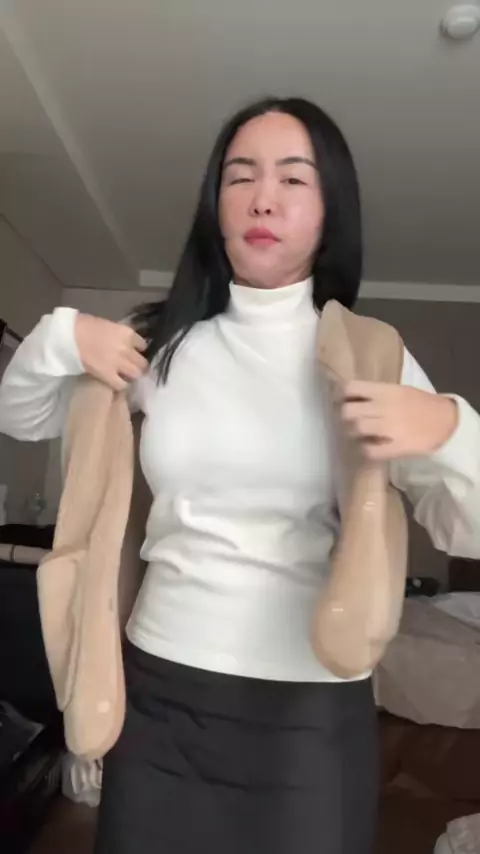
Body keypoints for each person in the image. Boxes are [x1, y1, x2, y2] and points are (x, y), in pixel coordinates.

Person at [1, 96, 480, 854]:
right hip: (159, 694)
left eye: (294, 178)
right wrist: (64, 338)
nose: (263, 198)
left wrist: (449, 428)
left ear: (329, 210)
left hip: (311, 716)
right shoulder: (158, 346)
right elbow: (21, 415)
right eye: (240, 176)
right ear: (215, 204)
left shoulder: (370, 354)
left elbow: (470, 527)